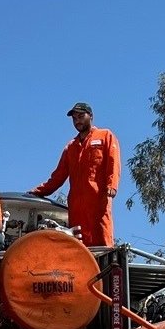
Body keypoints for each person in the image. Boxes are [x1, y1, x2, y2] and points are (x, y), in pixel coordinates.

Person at [31, 102, 121, 247]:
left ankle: (107, 267)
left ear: (91, 116)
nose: (77, 120)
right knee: (79, 244)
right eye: (74, 118)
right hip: (76, 205)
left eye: (81, 116)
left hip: (98, 200)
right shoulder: (70, 147)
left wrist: (112, 185)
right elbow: (58, 176)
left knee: (103, 240)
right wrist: (38, 191)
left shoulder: (105, 136)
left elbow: (113, 162)